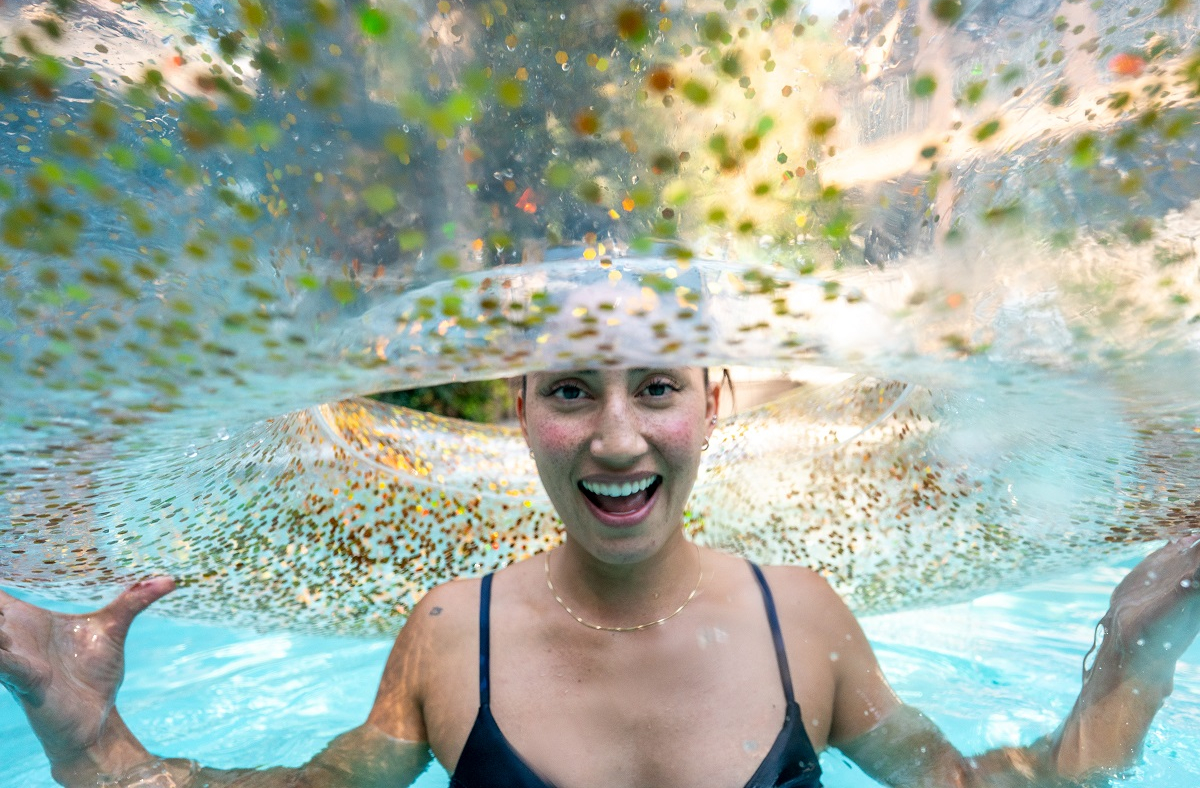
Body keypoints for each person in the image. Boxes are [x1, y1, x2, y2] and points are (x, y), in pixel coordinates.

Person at [2, 366, 1200, 788]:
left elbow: (974, 783)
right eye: (572, 390)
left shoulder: (801, 616)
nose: (618, 439)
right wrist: (91, 739)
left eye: (657, 390)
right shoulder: (450, 630)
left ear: (711, 404)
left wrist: (1136, 646)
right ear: (519, 409)